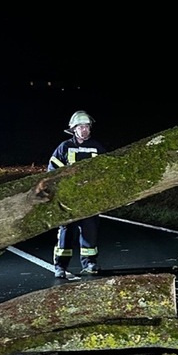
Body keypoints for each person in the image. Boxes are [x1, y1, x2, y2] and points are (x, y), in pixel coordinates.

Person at [47, 110, 107, 278]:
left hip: (90, 199)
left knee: (90, 233)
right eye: (81, 127)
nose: (84, 130)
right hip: (68, 200)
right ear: (73, 129)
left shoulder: (97, 147)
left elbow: (106, 171)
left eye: (87, 126)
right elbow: (52, 171)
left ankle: (90, 263)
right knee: (66, 234)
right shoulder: (64, 147)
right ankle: (60, 266)